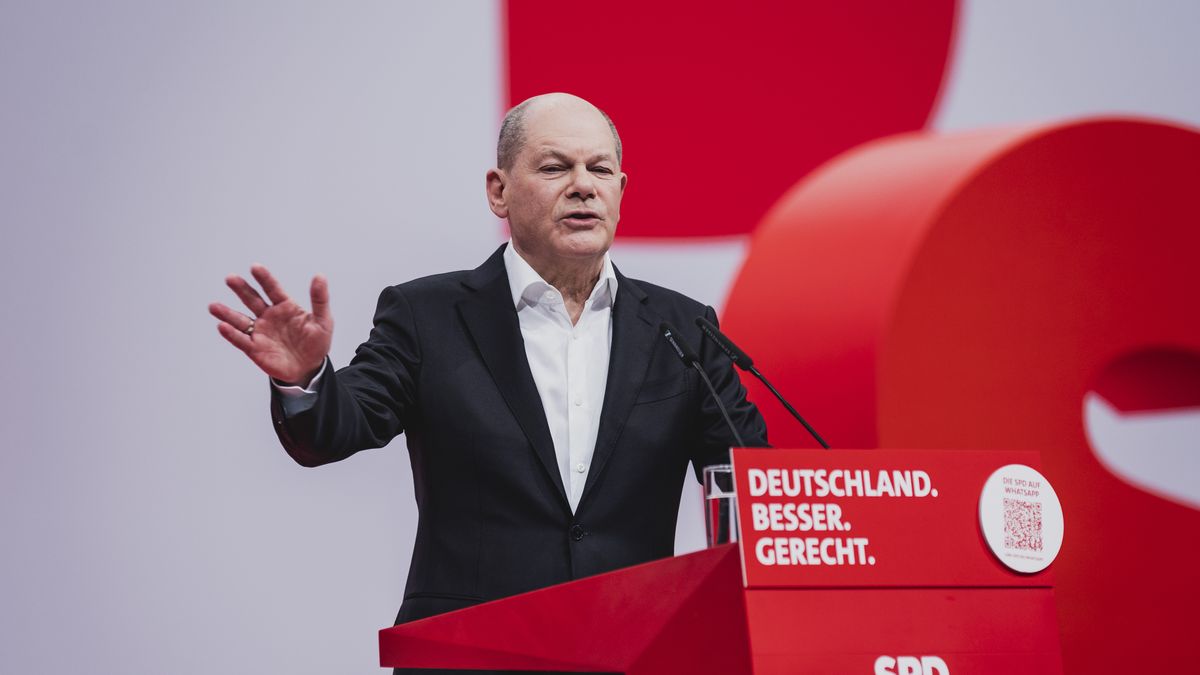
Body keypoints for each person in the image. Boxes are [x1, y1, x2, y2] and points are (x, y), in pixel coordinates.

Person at [209, 93, 767, 670]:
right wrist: (306, 378)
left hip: (636, 652)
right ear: (498, 190)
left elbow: (757, 482)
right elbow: (337, 426)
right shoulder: (428, 314)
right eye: (555, 167)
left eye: (600, 169)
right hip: (471, 656)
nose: (582, 185)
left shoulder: (684, 328)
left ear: (621, 190)